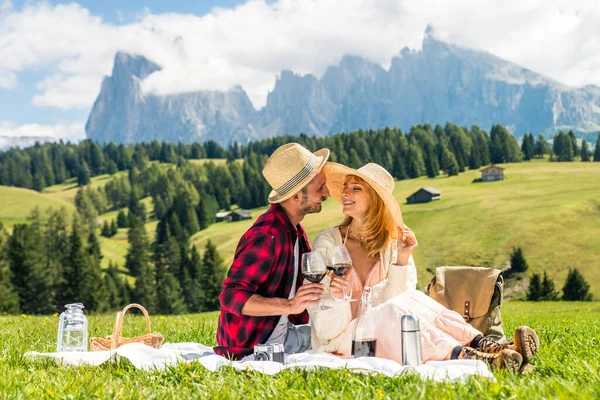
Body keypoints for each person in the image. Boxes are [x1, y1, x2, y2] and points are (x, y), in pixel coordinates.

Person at [308, 162, 539, 373]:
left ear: (376, 199)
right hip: (344, 342)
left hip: (389, 331)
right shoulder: (328, 245)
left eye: (355, 188)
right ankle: (477, 356)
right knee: (394, 310)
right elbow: (325, 329)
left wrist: (402, 260)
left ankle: (490, 347)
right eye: (345, 187)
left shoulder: (391, 244)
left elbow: (405, 303)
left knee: (411, 299)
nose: (345, 193)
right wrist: (337, 298)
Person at [215, 143, 330, 360]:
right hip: (253, 345)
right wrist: (290, 305)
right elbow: (231, 297)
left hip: (283, 334)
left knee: (346, 339)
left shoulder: (295, 231)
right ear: (296, 196)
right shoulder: (266, 236)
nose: (326, 192)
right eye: (319, 188)